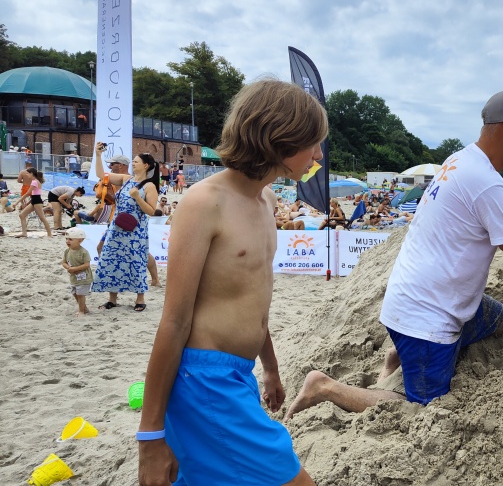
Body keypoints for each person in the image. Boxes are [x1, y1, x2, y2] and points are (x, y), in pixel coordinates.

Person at [285, 88, 503, 418]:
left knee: (497, 318)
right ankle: (326, 386)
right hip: (425, 319)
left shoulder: (462, 161)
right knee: (420, 407)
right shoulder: (487, 183)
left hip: (421, 298)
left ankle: (400, 355)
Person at [137, 79, 327, 486]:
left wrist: (271, 369)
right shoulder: (205, 203)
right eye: (313, 143)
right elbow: (173, 322)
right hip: (203, 380)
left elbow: (252, 301)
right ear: (281, 138)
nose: (318, 155)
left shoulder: (268, 202)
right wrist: (150, 436)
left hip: (237, 374)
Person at [90, 150, 159, 311]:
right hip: (116, 227)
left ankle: (140, 299)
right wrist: (98, 155)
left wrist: (137, 197)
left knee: (136, 261)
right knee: (112, 259)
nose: (133, 163)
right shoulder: (126, 179)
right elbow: (102, 175)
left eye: (136, 161)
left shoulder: (150, 186)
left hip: (136, 231)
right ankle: (112, 299)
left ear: (146, 165)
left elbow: (151, 211)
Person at [62, 227, 94, 316]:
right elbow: (63, 262)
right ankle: (84, 308)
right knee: (75, 293)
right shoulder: (67, 251)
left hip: (84, 277)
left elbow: (87, 264)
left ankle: (81, 311)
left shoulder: (83, 252)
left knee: (80, 294)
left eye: (71, 239)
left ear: (80, 240)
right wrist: (68, 268)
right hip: (74, 277)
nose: (67, 241)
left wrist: (75, 269)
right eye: (66, 239)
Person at [16, 167, 53, 237]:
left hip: (37, 202)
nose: (26, 175)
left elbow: (27, 193)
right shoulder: (35, 181)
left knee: (42, 218)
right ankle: (24, 233)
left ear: (31, 173)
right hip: (34, 200)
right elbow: (34, 194)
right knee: (22, 215)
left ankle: (50, 234)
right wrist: (28, 203)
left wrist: (17, 202)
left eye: (27, 173)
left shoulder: (35, 181)